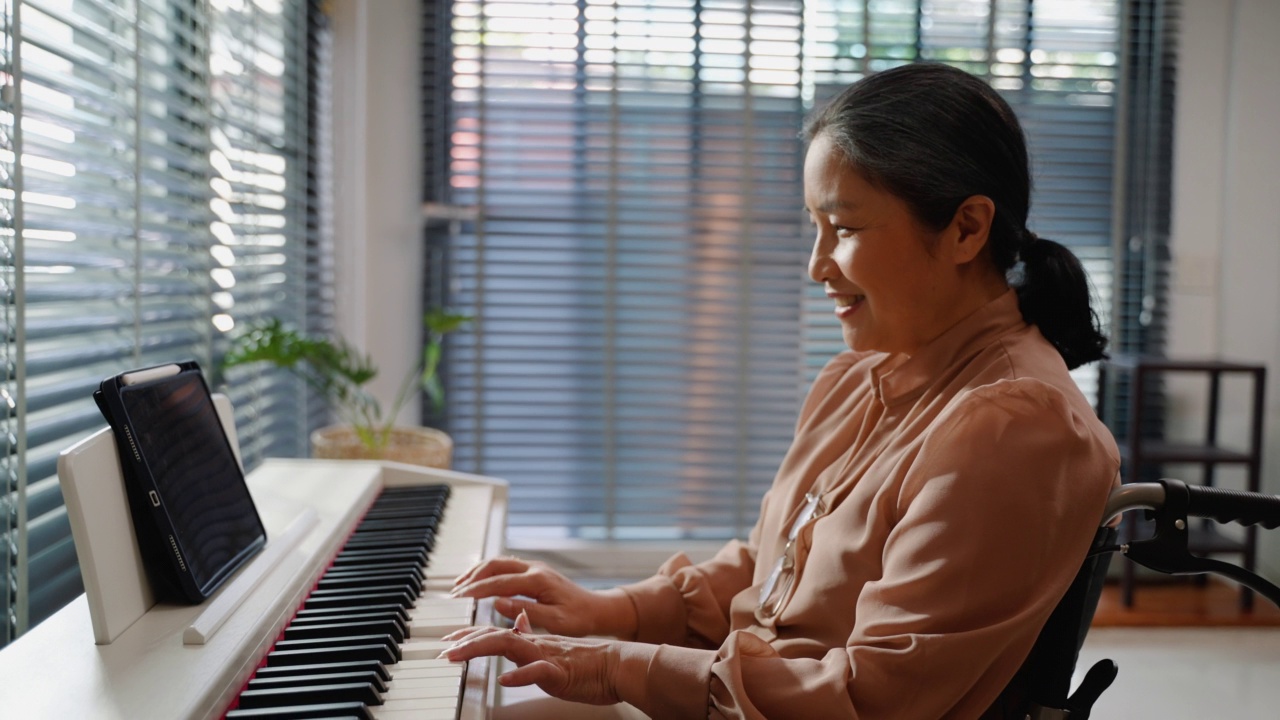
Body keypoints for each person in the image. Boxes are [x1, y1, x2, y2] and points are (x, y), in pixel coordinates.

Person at [439, 62, 1121, 719]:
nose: (816, 265)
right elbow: (774, 570)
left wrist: (617, 664)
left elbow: (873, 699)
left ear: (967, 228)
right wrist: (614, 611)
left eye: (846, 229)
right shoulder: (858, 376)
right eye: (815, 227)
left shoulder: (1015, 425)